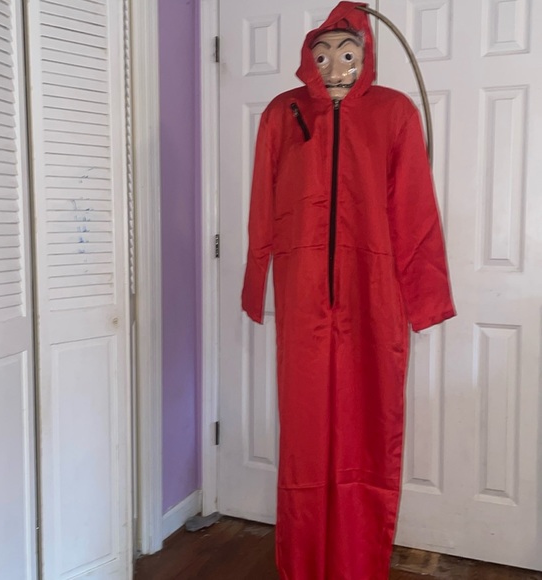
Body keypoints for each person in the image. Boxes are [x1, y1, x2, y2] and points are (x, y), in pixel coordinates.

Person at [241, 2, 455, 578]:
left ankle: (359, 563)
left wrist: (425, 300)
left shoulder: (395, 112)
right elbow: (262, 203)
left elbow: (415, 211)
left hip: (374, 295)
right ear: (307, 60)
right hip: (302, 292)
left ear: (366, 56)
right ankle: (305, 563)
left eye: (347, 53)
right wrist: (257, 280)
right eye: (322, 55)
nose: (335, 66)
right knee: (306, 432)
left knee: (370, 424)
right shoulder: (281, 114)